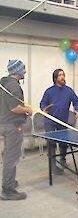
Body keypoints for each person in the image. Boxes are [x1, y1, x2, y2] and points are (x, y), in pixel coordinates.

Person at [0, 60, 32, 200]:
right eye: (23, 69)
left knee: (8, 155)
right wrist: (28, 110)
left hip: (4, 124)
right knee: (11, 157)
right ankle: (7, 190)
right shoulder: (14, 86)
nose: (25, 71)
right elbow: (14, 108)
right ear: (17, 70)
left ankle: (10, 181)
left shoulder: (4, 83)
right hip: (13, 126)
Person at [40, 69, 78, 175]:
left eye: (63, 75)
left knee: (63, 143)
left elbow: (76, 101)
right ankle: (53, 165)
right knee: (51, 143)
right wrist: (44, 109)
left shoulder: (69, 90)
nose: (62, 77)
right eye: (60, 75)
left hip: (63, 121)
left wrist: (77, 110)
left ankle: (63, 160)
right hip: (50, 121)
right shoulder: (49, 91)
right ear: (55, 78)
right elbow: (42, 103)